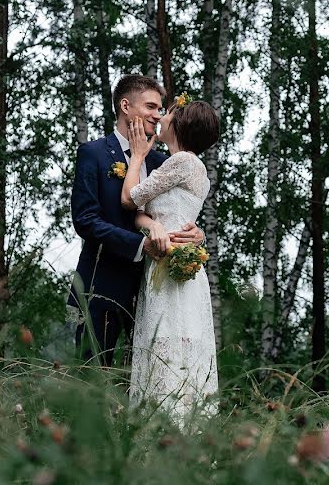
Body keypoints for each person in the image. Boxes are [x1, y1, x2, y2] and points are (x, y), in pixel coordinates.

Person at [69, 75, 203, 366]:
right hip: (100, 285)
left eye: (161, 109)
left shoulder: (162, 163)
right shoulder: (93, 153)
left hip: (153, 293)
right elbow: (85, 220)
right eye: (152, 107)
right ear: (125, 106)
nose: (158, 115)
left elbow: (173, 211)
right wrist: (141, 246)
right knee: (92, 378)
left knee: (144, 383)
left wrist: (195, 233)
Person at [120, 94, 220, 426]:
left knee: (166, 345)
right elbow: (150, 216)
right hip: (171, 264)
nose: (161, 117)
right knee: (171, 346)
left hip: (169, 267)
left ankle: (168, 426)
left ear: (178, 124)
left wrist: (136, 157)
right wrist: (154, 224)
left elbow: (131, 199)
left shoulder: (182, 162)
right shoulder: (194, 168)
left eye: (168, 113)